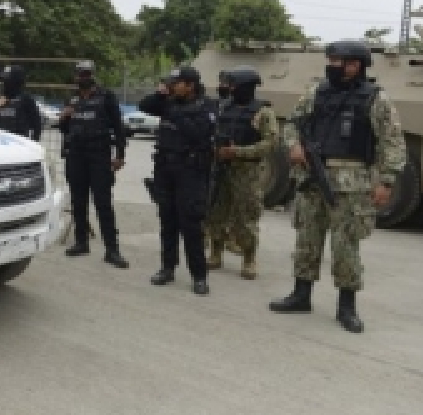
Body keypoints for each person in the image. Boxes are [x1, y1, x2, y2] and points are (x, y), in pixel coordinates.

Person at [270, 40, 405, 333]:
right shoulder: (316, 92)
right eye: (330, 60)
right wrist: (294, 146)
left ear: (354, 65)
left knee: (346, 245)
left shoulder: (376, 99)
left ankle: (347, 307)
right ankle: (301, 295)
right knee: (307, 238)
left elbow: (392, 142)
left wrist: (386, 181)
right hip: (311, 178)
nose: (330, 65)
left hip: (351, 183)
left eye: (336, 60)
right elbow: (292, 123)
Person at [139, 66, 216, 295]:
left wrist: (175, 112)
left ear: (190, 85)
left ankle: (199, 275)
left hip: (190, 171)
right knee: (167, 220)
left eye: (177, 83)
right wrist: (160, 94)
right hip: (165, 168)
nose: (173, 86)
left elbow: (198, 134)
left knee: (191, 224)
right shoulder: (168, 102)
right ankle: (167, 267)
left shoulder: (207, 106)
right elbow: (144, 106)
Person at [203, 65, 279, 280]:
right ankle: (216, 253)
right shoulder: (223, 108)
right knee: (216, 211)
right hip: (221, 168)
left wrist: (238, 151)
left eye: (233, 85)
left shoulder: (263, 112)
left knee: (246, 216)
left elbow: (270, 144)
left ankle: (249, 258)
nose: (230, 89)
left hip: (248, 171)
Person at [58, 60, 129, 268]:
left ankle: (112, 250)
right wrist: (64, 117)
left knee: (103, 203)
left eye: (87, 74)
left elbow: (118, 127)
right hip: (76, 155)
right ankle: (81, 242)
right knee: (78, 202)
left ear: (93, 75)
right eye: (81, 74)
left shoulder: (106, 97)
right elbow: (64, 129)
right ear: (75, 77)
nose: (84, 78)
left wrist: (120, 155)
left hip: (99, 154)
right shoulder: (71, 99)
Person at [0, 65, 43, 141]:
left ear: (16, 82)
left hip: (18, 145)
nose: (4, 83)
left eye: (7, 80)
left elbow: (37, 125)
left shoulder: (26, 100)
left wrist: (33, 143)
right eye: (3, 80)